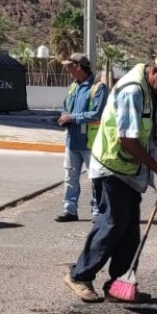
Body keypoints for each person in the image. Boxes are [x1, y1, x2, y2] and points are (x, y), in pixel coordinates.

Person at [63, 54, 157, 303]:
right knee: (113, 223)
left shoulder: (154, 91)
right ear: (154, 71)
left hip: (131, 171)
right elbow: (127, 139)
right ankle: (79, 275)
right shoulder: (132, 91)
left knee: (129, 231)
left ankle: (118, 283)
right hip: (112, 166)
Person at [55, 53, 107, 222]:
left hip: (91, 142)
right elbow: (65, 107)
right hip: (72, 140)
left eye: (69, 66)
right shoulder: (73, 87)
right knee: (70, 176)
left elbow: (97, 113)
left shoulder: (98, 88)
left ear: (78, 66)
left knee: (96, 179)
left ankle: (98, 212)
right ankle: (70, 210)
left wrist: (72, 117)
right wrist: (64, 117)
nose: (68, 70)